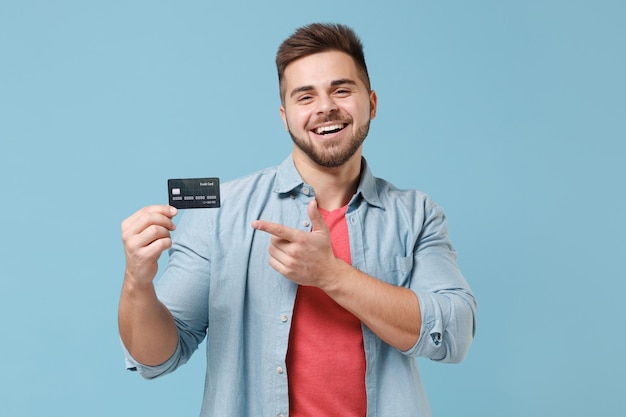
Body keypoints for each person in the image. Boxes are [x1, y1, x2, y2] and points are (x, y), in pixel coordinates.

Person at [119, 22, 476, 417]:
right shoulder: (221, 215)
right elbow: (156, 358)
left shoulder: (415, 215)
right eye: (305, 96)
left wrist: (332, 275)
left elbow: (454, 333)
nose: (325, 107)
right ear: (285, 115)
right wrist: (137, 280)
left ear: (371, 103)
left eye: (342, 90)